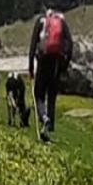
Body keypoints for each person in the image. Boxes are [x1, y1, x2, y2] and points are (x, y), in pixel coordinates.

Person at [28, 8, 74, 144]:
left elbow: (32, 46)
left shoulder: (41, 21)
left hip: (43, 60)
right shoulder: (62, 22)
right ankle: (49, 130)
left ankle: (43, 117)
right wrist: (64, 65)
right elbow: (70, 44)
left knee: (38, 94)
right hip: (56, 63)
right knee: (52, 96)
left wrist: (31, 66)